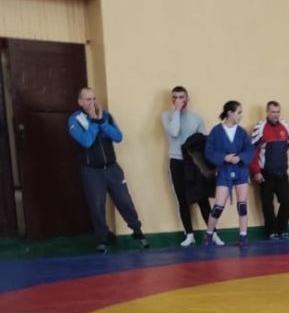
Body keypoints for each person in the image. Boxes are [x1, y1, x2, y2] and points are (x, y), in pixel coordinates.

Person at [67, 87, 149, 254]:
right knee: (97, 206)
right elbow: (86, 141)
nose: (92, 102)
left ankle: (138, 233)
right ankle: (103, 239)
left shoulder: (106, 116)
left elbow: (118, 137)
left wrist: (102, 122)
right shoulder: (75, 120)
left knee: (125, 201)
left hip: (112, 169)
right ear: (80, 102)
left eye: (94, 98)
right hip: (92, 172)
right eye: (88, 99)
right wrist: (93, 121)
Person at [161, 85, 211, 246]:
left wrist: (205, 166)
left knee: (202, 198)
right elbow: (174, 132)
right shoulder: (166, 116)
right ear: (171, 100)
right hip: (176, 161)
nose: (178, 100)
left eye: (181, 97)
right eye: (175, 98)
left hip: (194, 162)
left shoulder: (197, 118)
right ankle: (189, 234)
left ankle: (213, 233)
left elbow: (203, 141)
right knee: (182, 199)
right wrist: (176, 111)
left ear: (187, 100)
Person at [203, 100, 254, 248]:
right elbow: (209, 152)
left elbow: (250, 150)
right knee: (218, 206)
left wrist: (241, 157)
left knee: (242, 205)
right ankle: (209, 233)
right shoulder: (216, 131)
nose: (241, 115)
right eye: (238, 112)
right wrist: (224, 158)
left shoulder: (242, 132)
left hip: (240, 170)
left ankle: (243, 236)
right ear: (230, 113)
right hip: (224, 171)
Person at [250, 100, 289, 239]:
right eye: (273, 112)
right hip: (266, 173)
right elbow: (252, 151)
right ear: (267, 112)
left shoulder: (286, 127)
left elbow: (287, 145)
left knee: (287, 201)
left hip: (282, 172)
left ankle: (282, 229)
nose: (276, 115)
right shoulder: (259, 128)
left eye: (278, 112)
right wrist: (256, 171)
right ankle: (271, 231)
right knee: (267, 204)